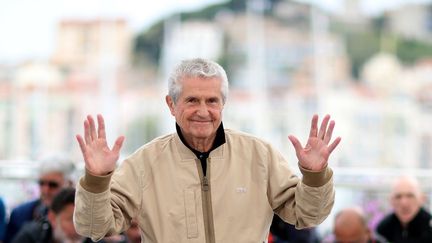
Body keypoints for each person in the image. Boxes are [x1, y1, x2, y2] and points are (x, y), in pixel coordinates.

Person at [73, 58, 341, 242]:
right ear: (171, 104)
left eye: (212, 100)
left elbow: (307, 214)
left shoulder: (260, 155)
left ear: (223, 103)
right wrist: (96, 182)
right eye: (192, 100)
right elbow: (95, 227)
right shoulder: (144, 162)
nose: (203, 111)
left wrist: (314, 176)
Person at [4, 154, 75, 243]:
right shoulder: (20, 214)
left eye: (53, 185)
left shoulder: (84, 216)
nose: (45, 190)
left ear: (70, 184)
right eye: (41, 183)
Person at [11, 187, 92, 243]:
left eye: (85, 220)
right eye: (73, 220)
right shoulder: (31, 237)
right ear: (52, 217)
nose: (80, 228)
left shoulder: (93, 239)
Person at [376, 175, 432, 243]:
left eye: (410, 196)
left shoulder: (429, 227)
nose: (404, 203)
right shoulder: (384, 228)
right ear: (391, 201)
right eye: (398, 197)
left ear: (422, 199)